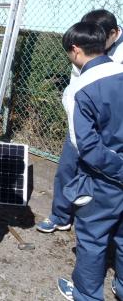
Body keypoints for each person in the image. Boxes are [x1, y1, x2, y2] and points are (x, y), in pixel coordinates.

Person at [37, 9, 123, 234]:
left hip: (112, 128)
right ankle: (60, 214)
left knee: (107, 176)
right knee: (68, 167)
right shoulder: (84, 49)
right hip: (84, 120)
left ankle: (103, 223)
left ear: (113, 33)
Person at [56, 22, 123, 301]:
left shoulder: (80, 89)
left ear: (75, 50)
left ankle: (86, 294)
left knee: (93, 238)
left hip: (105, 178)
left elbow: (85, 147)